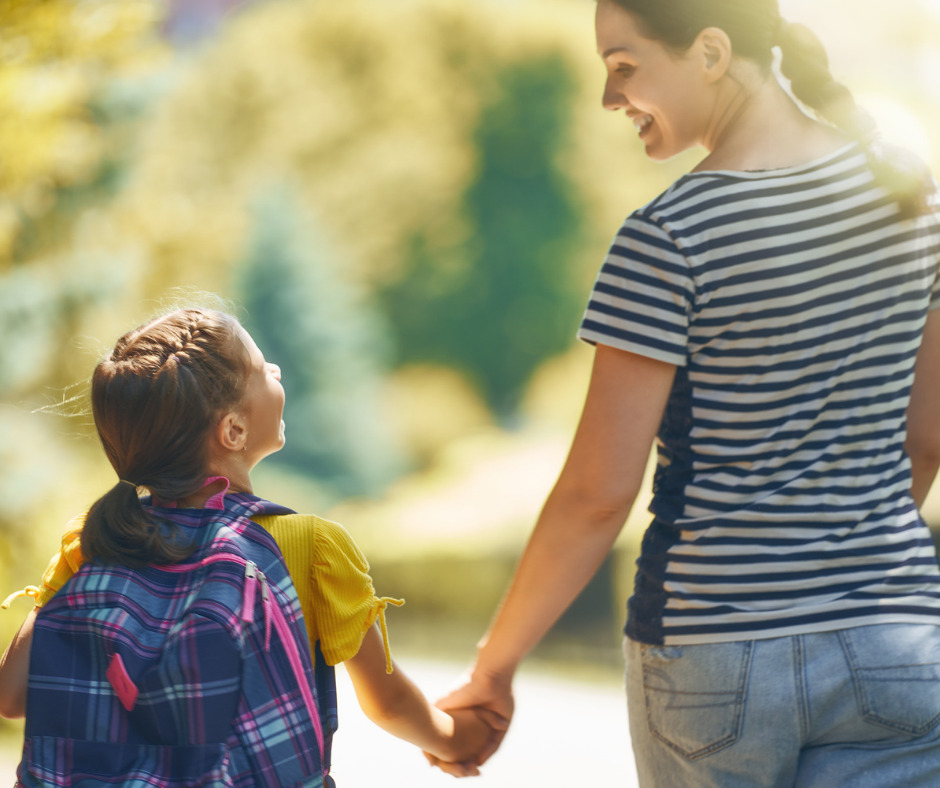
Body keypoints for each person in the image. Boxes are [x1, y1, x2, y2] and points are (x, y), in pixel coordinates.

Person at [432, 1, 940, 786]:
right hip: (897, 640)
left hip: (714, 655)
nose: (610, 100)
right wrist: (848, 566)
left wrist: (493, 667)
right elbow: (926, 439)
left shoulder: (671, 236)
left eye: (624, 68)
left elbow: (598, 494)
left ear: (709, 51)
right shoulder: (914, 204)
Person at [0, 307, 492, 783]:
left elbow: (12, 695)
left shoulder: (97, 538)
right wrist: (457, 739)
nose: (275, 369)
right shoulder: (309, 546)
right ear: (233, 430)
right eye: (262, 368)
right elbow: (388, 704)